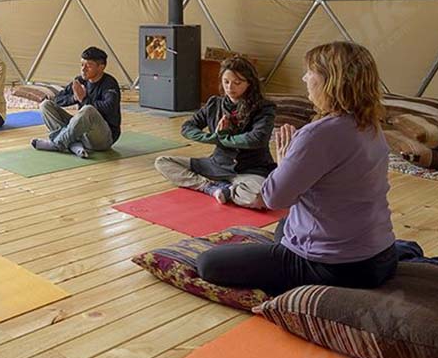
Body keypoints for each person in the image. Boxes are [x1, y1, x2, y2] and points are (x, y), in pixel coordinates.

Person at [196, 41, 397, 295]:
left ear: (330, 80)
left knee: (208, 263)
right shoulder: (371, 126)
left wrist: (283, 161)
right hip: (382, 255)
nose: (304, 78)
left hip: (336, 267)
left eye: (310, 72)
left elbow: (273, 198)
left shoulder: (318, 135)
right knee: (285, 226)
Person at [155, 55, 276, 207]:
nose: (230, 88)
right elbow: (187, 127)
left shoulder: (264, 108)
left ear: (249, 83)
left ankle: (229, 190)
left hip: (250, 169)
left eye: (237, 83)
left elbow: (257, 138)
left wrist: (223, 139)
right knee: (163, 162)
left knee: (258, 198)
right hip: (217, 165)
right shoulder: (214, 104)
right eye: (226, 82)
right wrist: (212, 137)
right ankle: (211, 187)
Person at [31, 46, 121, 159]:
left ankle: (57, 143)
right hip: (81, 132)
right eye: (82, 65)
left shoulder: (109, 83)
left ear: (101, 67)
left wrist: (84, 99)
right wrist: (74, 98)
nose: (83, 69)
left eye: (88, 66)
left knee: (88, 110)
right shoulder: (81, 80)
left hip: (102, 138)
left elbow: (109, 107)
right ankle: (74, 145)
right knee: (46, 105)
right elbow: (58, 99)